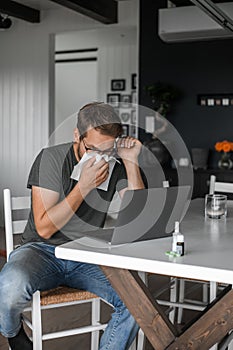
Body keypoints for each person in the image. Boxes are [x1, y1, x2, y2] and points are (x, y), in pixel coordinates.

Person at [0, 102, 145, 350]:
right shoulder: (51, 159)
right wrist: (83, 187)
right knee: (9, 285)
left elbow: (138, 218)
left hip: (87, 252)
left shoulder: (116, 165)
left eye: (107, 150)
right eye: (92, 149)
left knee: (138, 303)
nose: (100, 157)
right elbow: (45, 228)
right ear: (77, 136)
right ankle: (12, 333)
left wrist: (130, 162)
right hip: (42, 250)